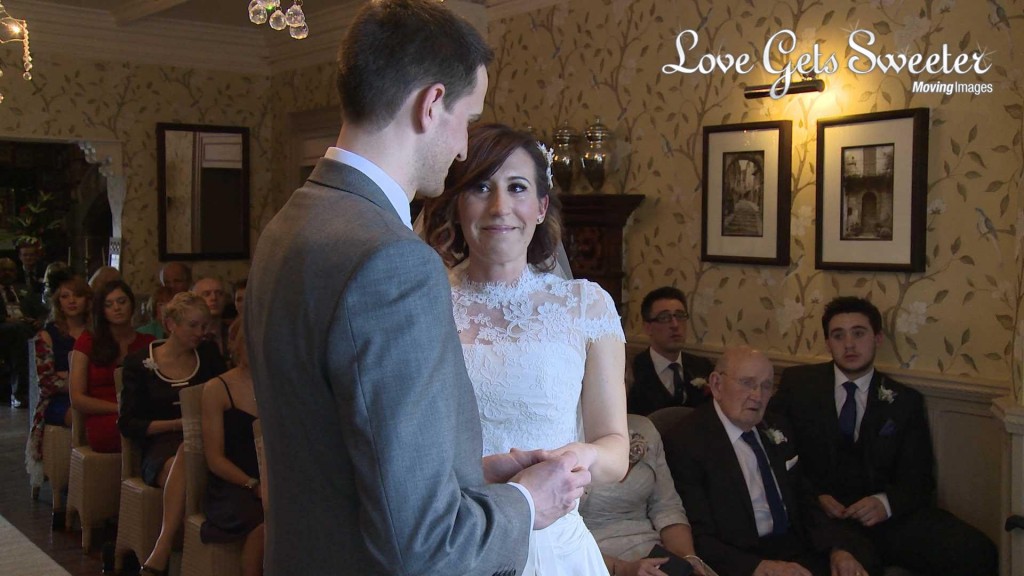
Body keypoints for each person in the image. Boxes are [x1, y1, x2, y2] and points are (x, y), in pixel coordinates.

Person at [245, 2, 589, 574]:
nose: (461, 148)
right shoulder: (394, 262)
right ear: (431, 105)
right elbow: (424, 547)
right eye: (467, 118)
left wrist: (469, 474)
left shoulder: (289, 223)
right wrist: (530, 502)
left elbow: (339, 452)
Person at [422, 122, 629, 574]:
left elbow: (615, 447)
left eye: (517, 188)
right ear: (459, 204)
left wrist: (578, 457)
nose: (500, 207)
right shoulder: (424, 305)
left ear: (540, 207)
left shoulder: (585, 305)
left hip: (556, 549)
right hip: (458, 540)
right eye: (480, 187)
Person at [769, 297, 997, 576]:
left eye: (859, 333)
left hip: (884, 520)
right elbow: (775, 452)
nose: (849, 344)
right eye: (838, 336)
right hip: (818, 517)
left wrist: (884, 504)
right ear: (828, 343)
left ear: (877, 338)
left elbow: (920, 479)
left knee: (975, 550)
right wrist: (816, 496)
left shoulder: (904, 401)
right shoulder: (799, 386)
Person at [663, 346, 875, 576]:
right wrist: (758, 568)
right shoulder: (686, 441)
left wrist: (836, 549)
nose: (758, 395)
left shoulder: (776, 427)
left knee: (863, 560)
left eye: (766, 386)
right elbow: (697, 534)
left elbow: (804, 499)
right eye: (747, 383)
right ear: (716, 384)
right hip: (740, 559)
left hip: (794, 548)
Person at [120, 291, 227, 576]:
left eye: (204, 325)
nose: (200, 332)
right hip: (160, 444)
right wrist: (176, 425)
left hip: (207, 439)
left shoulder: (208, 355)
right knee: (182, 458)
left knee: (191, 456)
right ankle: (175, 546)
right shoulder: (138, 363)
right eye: (193, 325)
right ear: (171, 325)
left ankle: (168, 547)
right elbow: (129, 424)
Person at [580, 414, 706, 576]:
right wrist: (621, 569)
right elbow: (556, 534)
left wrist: (685, 559)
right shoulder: (563, 435)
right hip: (590, 560)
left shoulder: (643, 427)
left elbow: (667, 507)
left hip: (652, 554)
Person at [200, 317, 264, 576]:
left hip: (271, 478)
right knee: (262, 521)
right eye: (246, 342)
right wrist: (253, 484)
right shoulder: (217, 388)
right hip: (233, 483)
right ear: (234, 345)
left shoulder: (279, 386)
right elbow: (214, 458)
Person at [69, 280, 154, 453]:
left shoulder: (148, 342)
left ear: (132, 304)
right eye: (109, 304)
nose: (117, 308)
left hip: (142, 413)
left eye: (122, 302)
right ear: (102, 310)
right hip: (105, 415)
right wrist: (120, 409)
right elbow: (77, 398)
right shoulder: (88, 341)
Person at [26, 272, 91, 488]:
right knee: (80, 414)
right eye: (65, 296)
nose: (72, 301)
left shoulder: (96, 333)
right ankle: (78, 479)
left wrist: (68, 374)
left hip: (93, 395)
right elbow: (47, 382)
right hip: (59, 401)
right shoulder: (47, 335)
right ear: (58, 301)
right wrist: (80, 381)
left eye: (77, 295)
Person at [628, 287, 714, 415]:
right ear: (648, 328)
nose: (675, 325)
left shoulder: (702, 367)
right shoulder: (633, 372)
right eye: (664, 317)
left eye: (680, 316)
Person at [1, 256, 46, 407]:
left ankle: (44, 386)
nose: (8, 273)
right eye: (3, 270)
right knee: (18, 331)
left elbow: (42, 311)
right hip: (5, 330)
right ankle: (19, 392)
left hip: (26, 327)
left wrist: (40, 320)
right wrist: (6, 320)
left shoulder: (23, 289)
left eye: (11, 270)